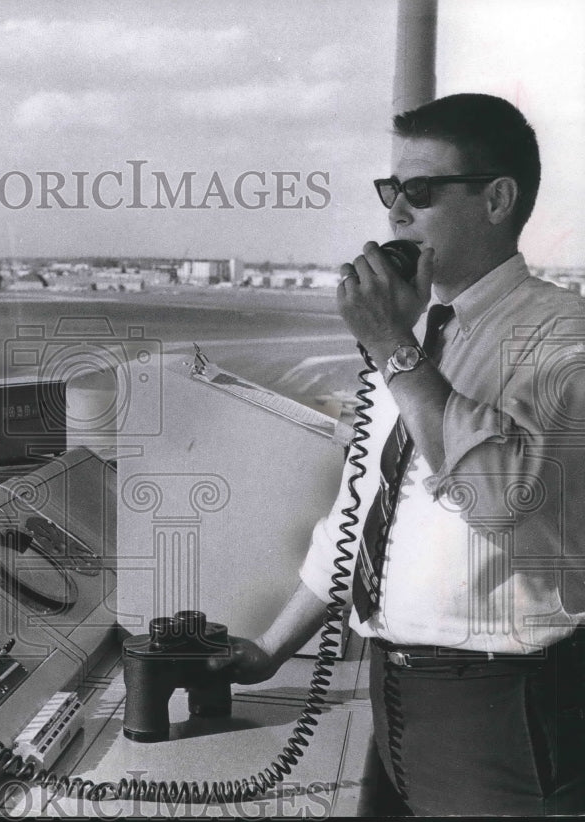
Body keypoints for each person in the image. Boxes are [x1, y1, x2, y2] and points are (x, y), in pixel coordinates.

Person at [209, 93, 585, 816]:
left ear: (497, 199)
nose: (397, 213)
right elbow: (360, 514)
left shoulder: (561, 337)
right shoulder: (418, 340)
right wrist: (271, 649)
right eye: (391, 191)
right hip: (395, 703)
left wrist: (391, 347)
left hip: (504, 710)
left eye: (421, 190)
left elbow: (501, 497)